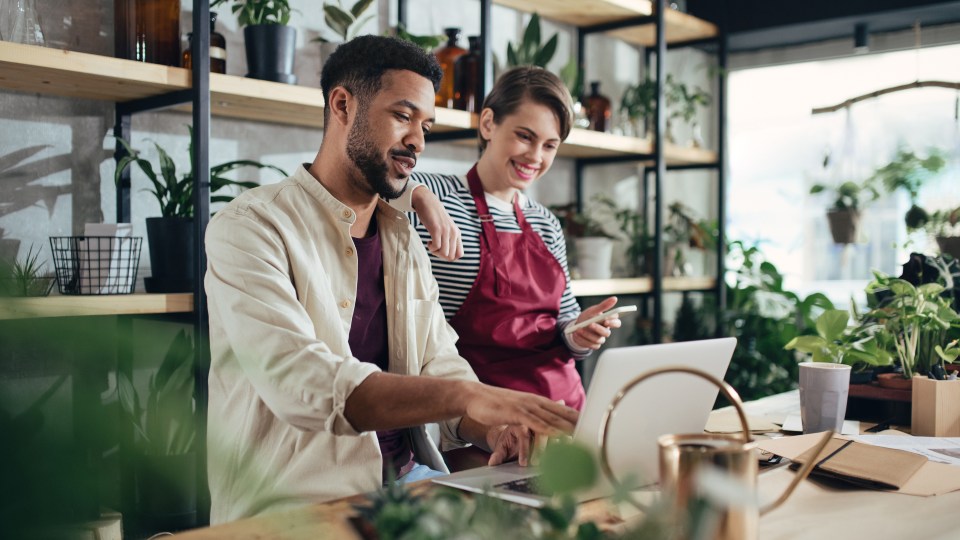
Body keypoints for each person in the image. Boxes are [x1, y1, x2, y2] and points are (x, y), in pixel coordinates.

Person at [203, 36, 578, 524]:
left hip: (410, 488)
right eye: (403, 116)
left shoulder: (402, 237)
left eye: (425, 125)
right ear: (342, 105)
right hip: (296, 512)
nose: (418, 141)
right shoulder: (250, 227)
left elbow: (439, 363)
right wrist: (473, 396)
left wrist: (492, 428)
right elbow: (303, 383)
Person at [402, 67, 625, 413]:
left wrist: (579, 333)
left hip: (564, 406)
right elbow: (367, 186)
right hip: (482, 415)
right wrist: (416, 193)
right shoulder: (437, 196)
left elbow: (563, 325)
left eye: (549, 145)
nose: (536, 157)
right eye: (525, 136)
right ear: (488, 123)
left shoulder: (546, 222)